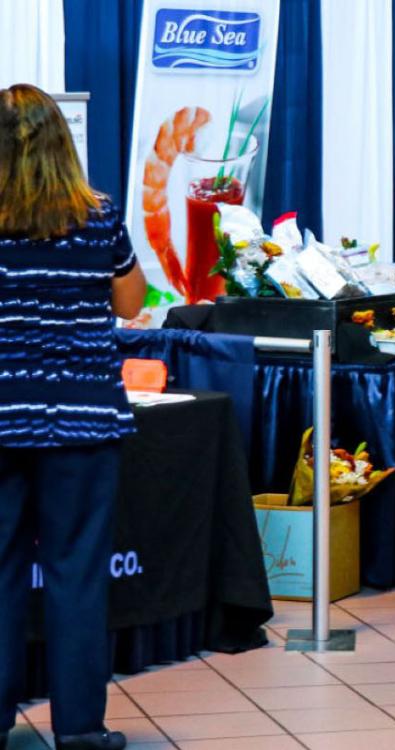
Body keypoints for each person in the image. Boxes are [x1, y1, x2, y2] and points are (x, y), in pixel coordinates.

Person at [0, 84, 146, 750]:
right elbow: (130, 301)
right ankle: (81, 730)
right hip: (83, 419)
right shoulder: (100, 214)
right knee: (77, 574)